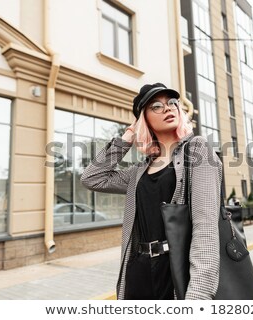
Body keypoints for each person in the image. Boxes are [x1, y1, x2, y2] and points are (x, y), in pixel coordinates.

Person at [81, 83, 222, 300]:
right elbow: (93, 178)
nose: (168, 108)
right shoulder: (138, 172)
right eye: (156, 106)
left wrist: (200, 294)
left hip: (176, 272)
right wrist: (126, 138)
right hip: (139, 271)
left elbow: (206, 227)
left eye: (172, 103)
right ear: (143, 120)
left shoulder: (197, 150)